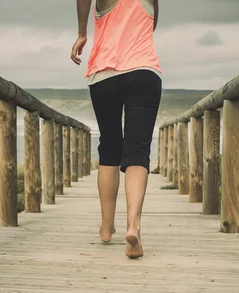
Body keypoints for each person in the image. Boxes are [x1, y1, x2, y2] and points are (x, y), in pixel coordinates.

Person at [71, 0, 162, 259]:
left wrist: (82, 33)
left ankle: (106, 227)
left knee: (110, 147)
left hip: (105, 75)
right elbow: (152, 22)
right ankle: (133, 227)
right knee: (138, 151)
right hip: (144, 72)